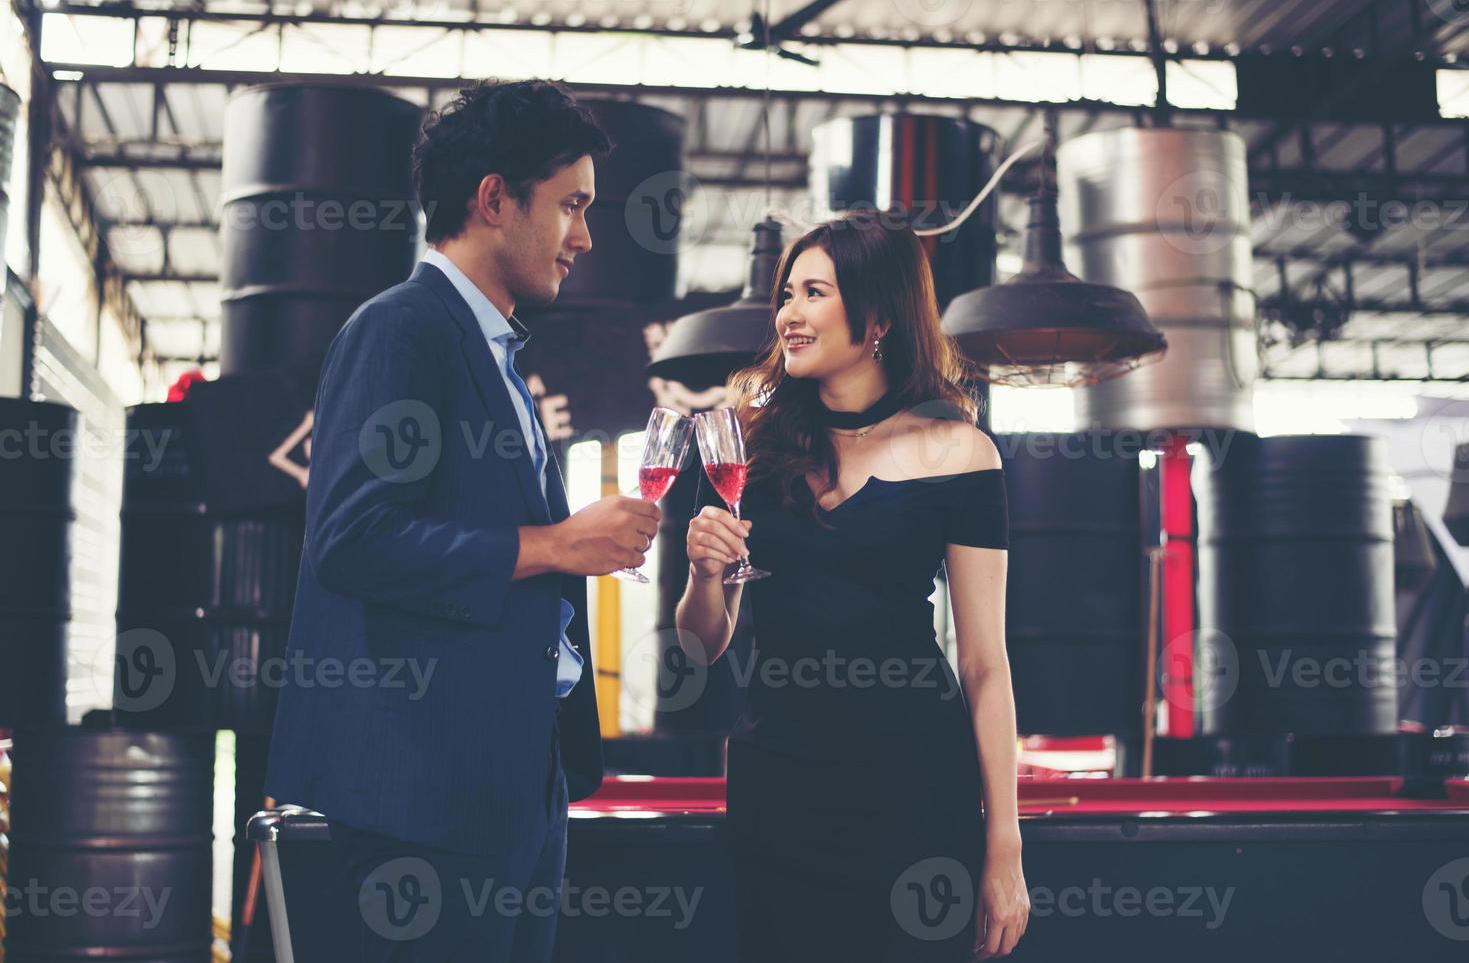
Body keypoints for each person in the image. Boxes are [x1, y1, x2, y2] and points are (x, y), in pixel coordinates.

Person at [263, 79, 661, 961]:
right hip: (426, 794)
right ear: (492, 199)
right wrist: (559, 544)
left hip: (512, 780)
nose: (585, 237)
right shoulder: (400, 330)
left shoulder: (498, 353)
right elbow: (353, 541)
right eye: (570, 206)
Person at [675, 211, 1030, 961]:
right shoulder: (749, 443)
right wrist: (703, 574)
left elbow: (984, 664)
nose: (788, 315)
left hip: (912, 787)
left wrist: (1004, 845)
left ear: (874, 317)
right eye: (786, 294)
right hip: (778, 787)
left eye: (813, 293)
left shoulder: (957, 451)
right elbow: (703, 643)